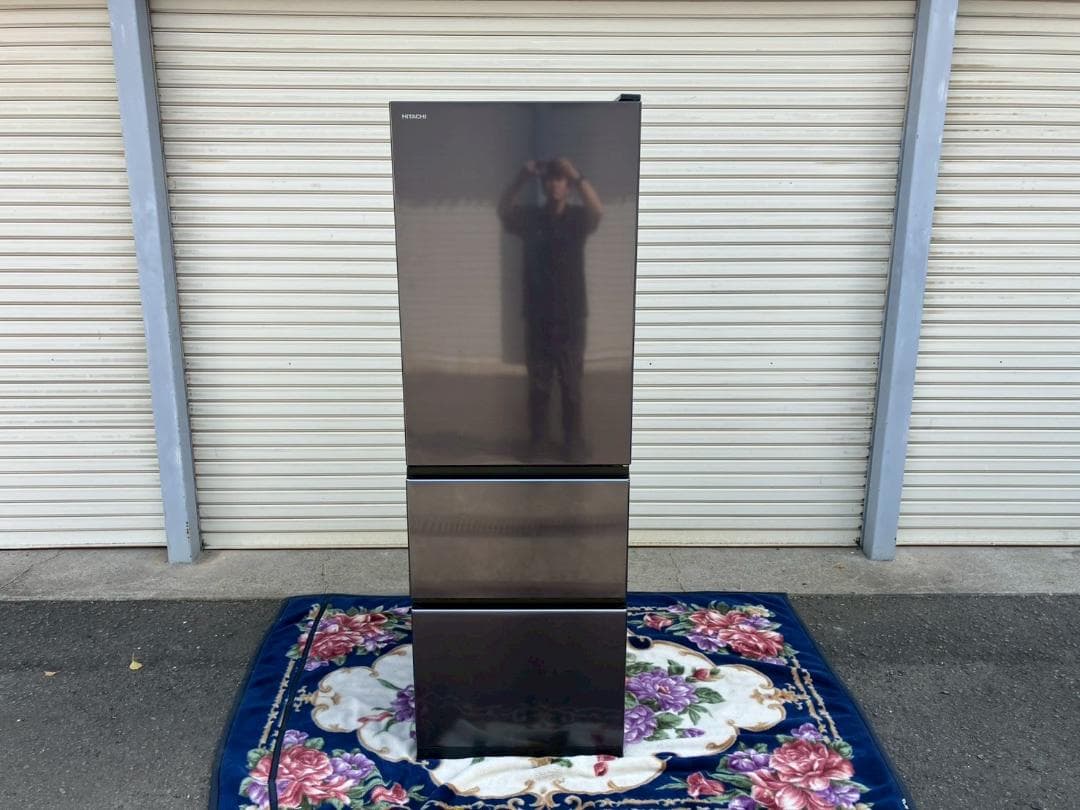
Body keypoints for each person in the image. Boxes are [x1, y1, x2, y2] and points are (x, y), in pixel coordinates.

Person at [498, 158, 603, 460]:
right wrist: (522, 176)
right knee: (539, 385)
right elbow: (503, 209)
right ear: (544, 186)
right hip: (538, 317)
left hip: (571, 317)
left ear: (567, 187)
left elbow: (598, 210)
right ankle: (538, 441)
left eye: (560, 180)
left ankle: (573, 441)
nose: (555, 184)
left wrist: (576, 173)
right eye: (550, 180)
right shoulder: (531, 218)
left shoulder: (577, 219)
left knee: (571, 384)